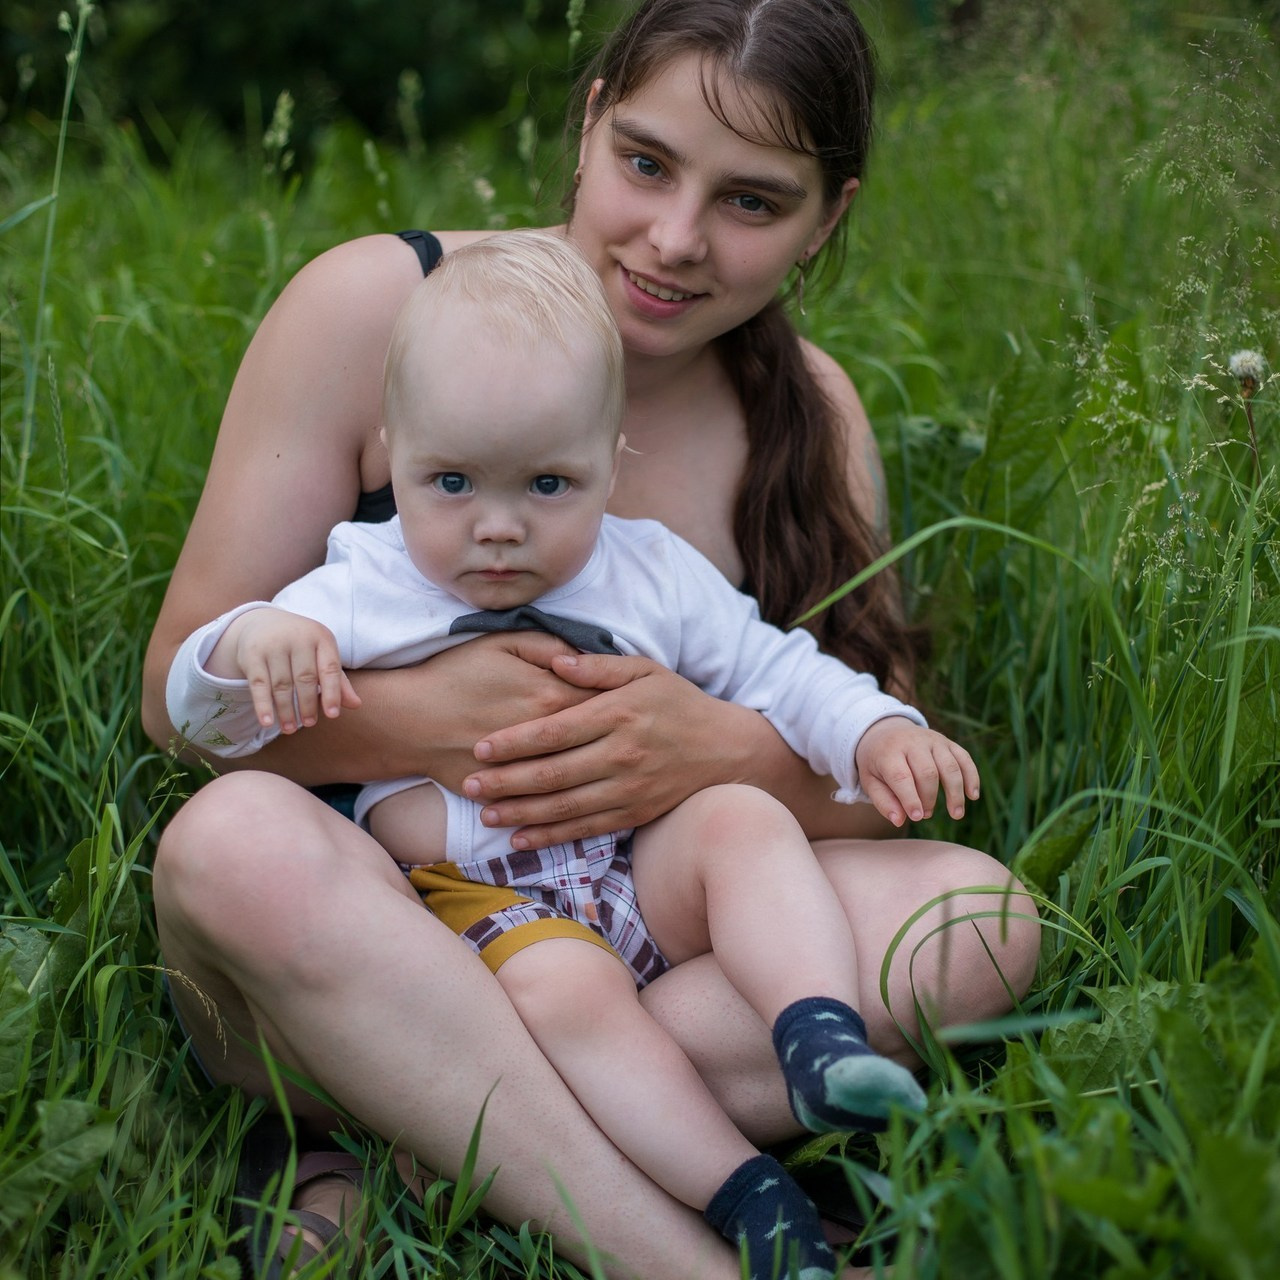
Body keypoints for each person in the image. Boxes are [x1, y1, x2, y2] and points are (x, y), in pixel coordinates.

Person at [142, 1, 1041, 1276]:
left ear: (824, 217)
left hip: (623, 914)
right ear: (588, 122)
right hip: (371, 927)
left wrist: (714, 751)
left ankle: (429, 1147)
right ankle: (677, 1244)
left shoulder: (809, 417)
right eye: (646, 162)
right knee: (230, 843)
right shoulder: (383, 308)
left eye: (751, 200)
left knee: (973, 917)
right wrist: (428, 720)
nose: (675, 239)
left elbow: (869, 784)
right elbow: (176, 705)